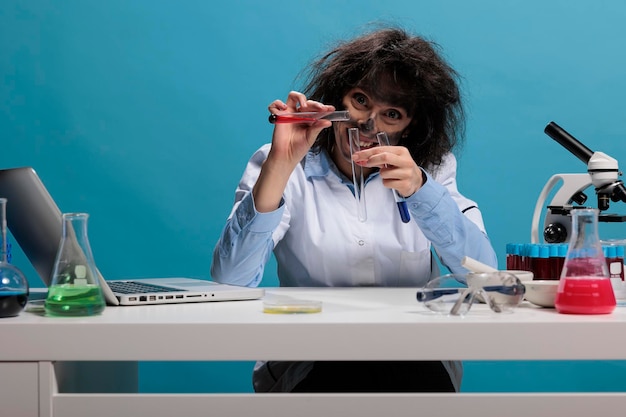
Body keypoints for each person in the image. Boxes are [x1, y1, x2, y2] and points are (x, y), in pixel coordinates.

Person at [211, 26, 497, 393]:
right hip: (314, 361)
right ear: (336, 99)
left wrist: (421, 192)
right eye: (361, 100)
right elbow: (230, 282)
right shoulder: (282, 165)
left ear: (412, 127)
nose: (367, 124)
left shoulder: (433, 169)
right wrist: (281, 166)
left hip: (414, 361)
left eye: (392, 113)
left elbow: (487, 278)